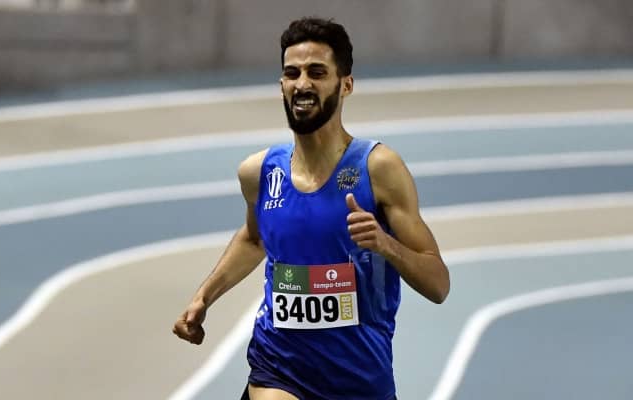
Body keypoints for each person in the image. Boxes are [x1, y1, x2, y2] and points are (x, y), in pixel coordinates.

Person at [173, 17, 450, 400]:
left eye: (317, 73)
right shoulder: (259, 172)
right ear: (282, 86)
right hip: (278, 367)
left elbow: (438, 284)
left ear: (345, 84)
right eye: (292, 73)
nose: (302, 84)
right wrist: (204, 297)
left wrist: (385, 244)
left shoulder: (378, 169)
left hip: (360, 378)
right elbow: (254, 238)